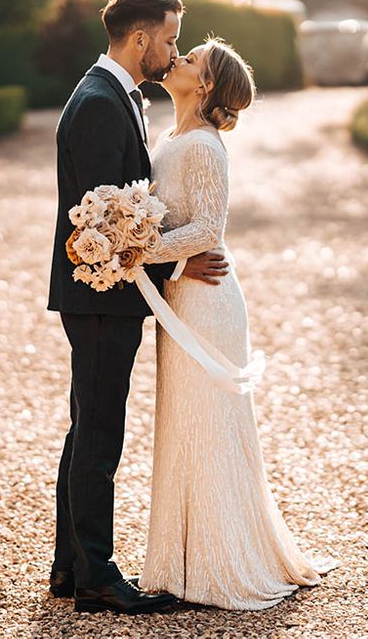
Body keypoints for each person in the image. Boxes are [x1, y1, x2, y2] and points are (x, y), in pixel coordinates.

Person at [47, 0, 229, 615]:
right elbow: (106, 224)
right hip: (101, 296)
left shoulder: (112, 96)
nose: (173, 50)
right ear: (142, 38)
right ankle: (97, 575)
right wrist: (181, 257)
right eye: (172, 39)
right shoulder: (100, 102)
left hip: (105, 296)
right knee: (99, 437)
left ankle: (70, 565)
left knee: (86, 429)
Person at [138, 38, 339, 610]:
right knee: (183, 422)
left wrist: (132, 249)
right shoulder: (174, 138)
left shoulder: (204, 146)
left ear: (203, 87)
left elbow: (207, 231)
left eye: (191, 60)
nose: (177, 60)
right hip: (180, 294)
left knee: (210, 425)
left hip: (206, 300)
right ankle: (179, 558)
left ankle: (220, 561)